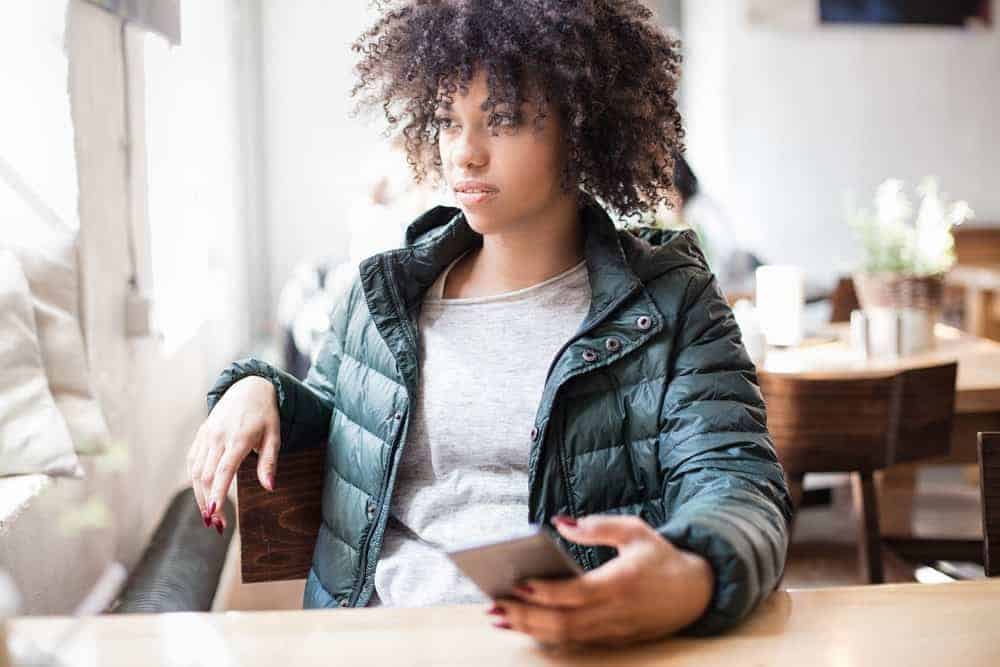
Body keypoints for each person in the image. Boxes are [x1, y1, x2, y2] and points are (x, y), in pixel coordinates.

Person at [186, 0, 792, 648]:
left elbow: (738, 483)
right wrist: (259, 388)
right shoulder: (382, 294)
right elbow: (338, 422)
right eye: (449, 122)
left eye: (500, 120)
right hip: (378, 643)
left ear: (579, 126)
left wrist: (689, 571)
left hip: (575, 649)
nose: (465, 154)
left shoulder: (673, 301)